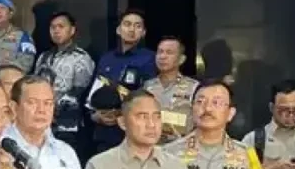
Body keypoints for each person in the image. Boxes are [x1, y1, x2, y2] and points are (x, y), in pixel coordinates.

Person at [87, 9, 157, 154]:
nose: (132, 29)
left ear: (143, 32)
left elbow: (150, 95)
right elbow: (94, 90)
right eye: (127, 24)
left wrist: (121, 113)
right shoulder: (106, 58)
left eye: (137, 26)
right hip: (104, 132)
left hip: (131, 131)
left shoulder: (150, 59)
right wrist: (95, 115)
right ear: (118, 30)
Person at [33, 11, 95, 155]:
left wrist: (54, 110)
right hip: (41, 122)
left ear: (72, 30)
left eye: (61, 26)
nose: (56, 31)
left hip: (67, 125)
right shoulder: (44, 57)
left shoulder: (81, 58)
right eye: (53, 27)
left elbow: (80, 93)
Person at [142, 36, 198, 144]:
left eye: (169, 52)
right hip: (152, 147)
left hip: (182, 147)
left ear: (181, 59)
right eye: (160, 52)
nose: (163, 56)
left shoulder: (193, 87)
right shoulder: (147, 86)